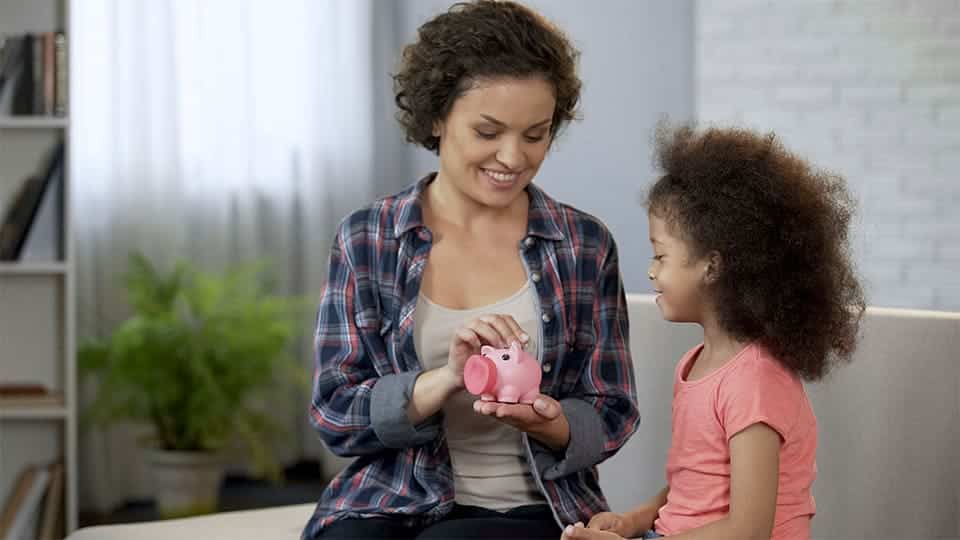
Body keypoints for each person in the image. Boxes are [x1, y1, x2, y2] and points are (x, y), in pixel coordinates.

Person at [303, 2, 640, 539]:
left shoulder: (583, 244)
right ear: (437, 117)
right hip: (388, 498)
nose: (512, 156)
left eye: (535, 134)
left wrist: (542, 417)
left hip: (533, 508)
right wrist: (444, 381)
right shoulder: (367, 238)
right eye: (488, 131)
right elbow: (334, 413)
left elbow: (613, 410)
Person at [562, 125, 866, 540]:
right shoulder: (695, 364)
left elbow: (748, 529)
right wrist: (636, 519)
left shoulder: (755, 380)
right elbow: (696, 482)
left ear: (711, 265)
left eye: (660, 255)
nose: (652, 270)